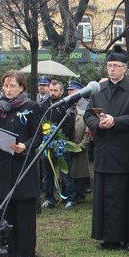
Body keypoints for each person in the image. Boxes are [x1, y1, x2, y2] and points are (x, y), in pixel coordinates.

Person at [84, 46, 129, 252]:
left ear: (124, 68)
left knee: (125, 195)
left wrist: (116, 121)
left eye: (116, 66)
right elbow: (88, 115)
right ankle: (108, 236)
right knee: (104, 194)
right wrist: (97, 124)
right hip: (103, 149)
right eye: (109, 66)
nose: (112, 69)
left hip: (124, 150)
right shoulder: (98, 89)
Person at [0, 71, 41, 257]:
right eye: (5, 86)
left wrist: (25, 145)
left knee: (23, 212)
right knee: (5, 211)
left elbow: (38, 135)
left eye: (12, 86)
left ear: (21, 88)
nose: (8, 90)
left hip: (22, 165)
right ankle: (7, 251)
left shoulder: (31, 107)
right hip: (1, 165)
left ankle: (25, 254)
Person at [39, 79, 77, 209]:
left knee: (66, 174)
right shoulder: (44, 104)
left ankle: (70, 198)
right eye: (51, 90)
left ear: (61, 91)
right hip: (46, 143)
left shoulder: (67, 105)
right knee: (47, 174)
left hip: (61, 143)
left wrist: (60, 138)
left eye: (55, 90)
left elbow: (70, 126)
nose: (52, 93)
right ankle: (49, 198)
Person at [66, 81, 92, 203]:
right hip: (68, 143)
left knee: (80, 170)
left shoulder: (86, 105)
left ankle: (79, 194)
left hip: (80, 143)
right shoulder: (67, 105)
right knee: (68, 170)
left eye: (72, 90)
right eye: (68, 90)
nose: (69, 92)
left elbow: (89, 129)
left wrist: (82, 145)